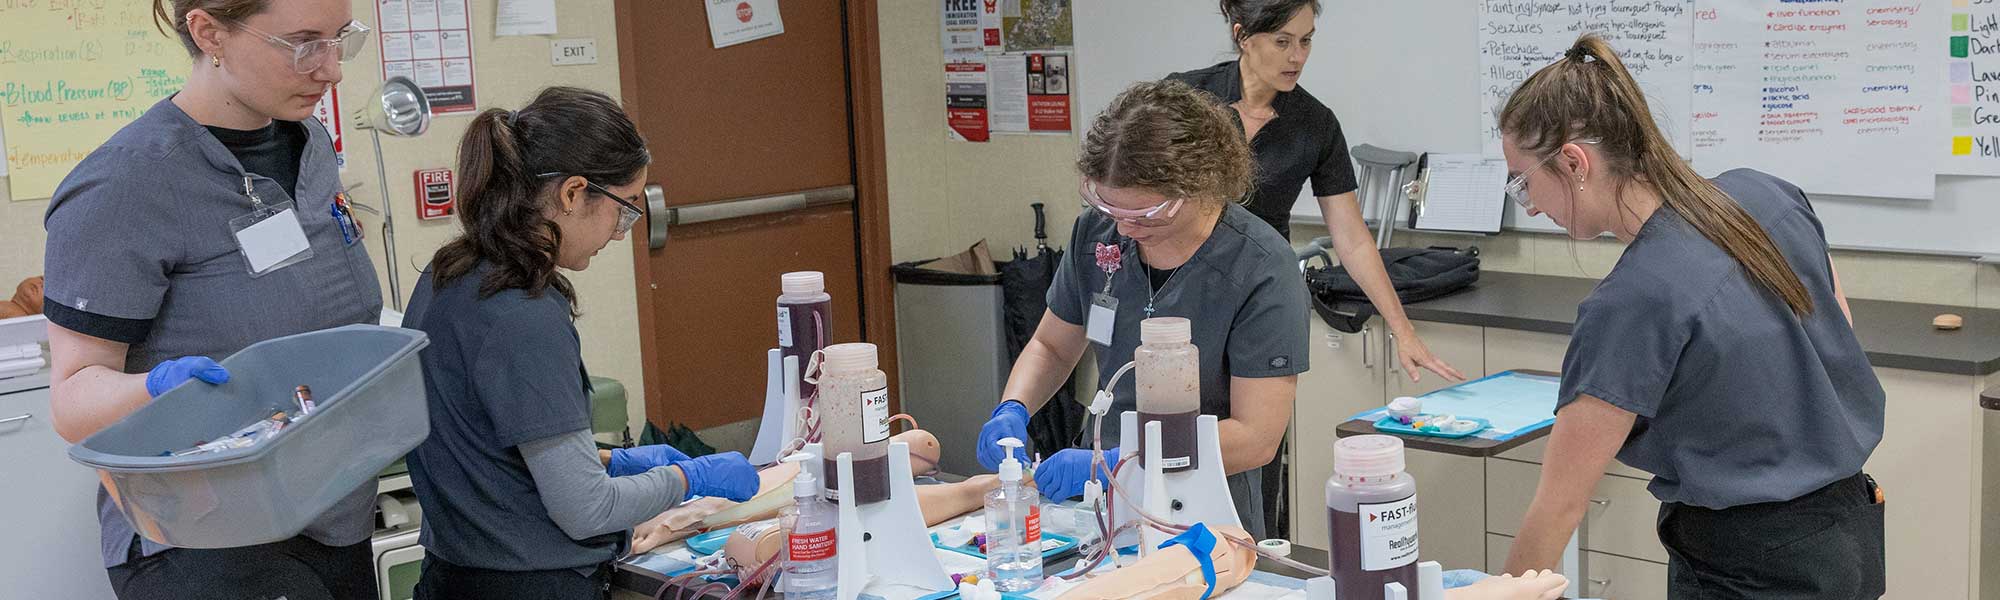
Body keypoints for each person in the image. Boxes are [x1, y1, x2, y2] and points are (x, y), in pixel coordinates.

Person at [1495, 35, 1884, 599]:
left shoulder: (1631, 302)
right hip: (1849, 535)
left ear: (1575, 162)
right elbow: (1836, 328)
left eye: (1524, 182)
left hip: (1751, 568)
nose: (1529, 206)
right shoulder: (1766, 195)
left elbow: (1559, 505)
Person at [42, 1, 380, 597]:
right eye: (303, 44)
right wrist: (156, 387)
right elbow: (72, 401)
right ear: (208, 32)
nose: (331, 71)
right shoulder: (126, 183)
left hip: (331, 515)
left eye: (339, 40)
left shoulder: (310, 142)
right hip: (207, 539)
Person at [401, 87, 759, 600]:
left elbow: (489, 441)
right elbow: (586, 508)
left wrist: (614, 461)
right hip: (530, 583)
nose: (621, 233)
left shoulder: (451, 274)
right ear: (572, 194)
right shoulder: (522, 313)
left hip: (456, 576)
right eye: (624, 209)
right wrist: (688, 477)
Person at [974, 80, 1309, 539]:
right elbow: (1052, 347)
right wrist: (1013, 408)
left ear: (1202, 182)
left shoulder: (1261, 267)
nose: (1125, 230)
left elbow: (1256, 437)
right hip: (1100, 505)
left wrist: (1122, 459)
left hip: (1203, 511)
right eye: (1110, 208)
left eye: (1145, 216)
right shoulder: (1097, 235)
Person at [1167, 0, 1464, 383]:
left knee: (1257, 434)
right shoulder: (1184, 98)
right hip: (1180, 291)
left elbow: (1353, 240)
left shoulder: (1316, 124)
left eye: (1306, 41)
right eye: (1282, 41)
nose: (1297, 57)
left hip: (1264, 294)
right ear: (1243, 36)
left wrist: (1403, 331)